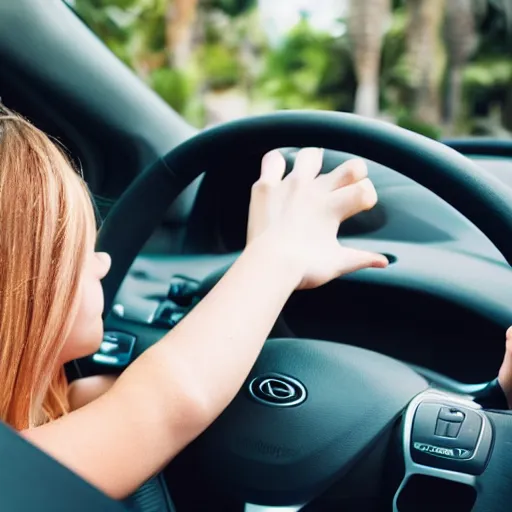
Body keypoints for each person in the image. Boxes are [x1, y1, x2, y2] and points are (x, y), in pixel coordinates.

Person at [0, 109, 509, 500]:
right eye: (75, 254)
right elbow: (160, 402)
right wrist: (276, 255)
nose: (105, 264)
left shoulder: (55, 409)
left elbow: (137, 389)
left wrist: (493, 404)